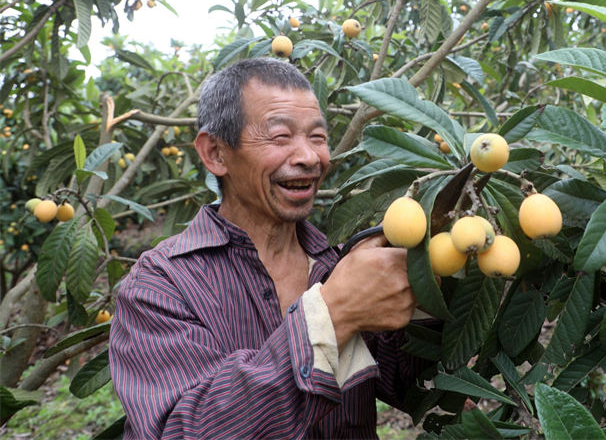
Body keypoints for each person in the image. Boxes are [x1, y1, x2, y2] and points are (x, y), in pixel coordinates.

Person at [109, 58, 427, 439]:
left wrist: (435, 280)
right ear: (215, 153)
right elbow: (182, 431)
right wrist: (333, 317)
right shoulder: (160, 286)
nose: (310, 157)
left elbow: (406, 379)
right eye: (280, 137)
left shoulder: (336, 265)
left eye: (317, 137)